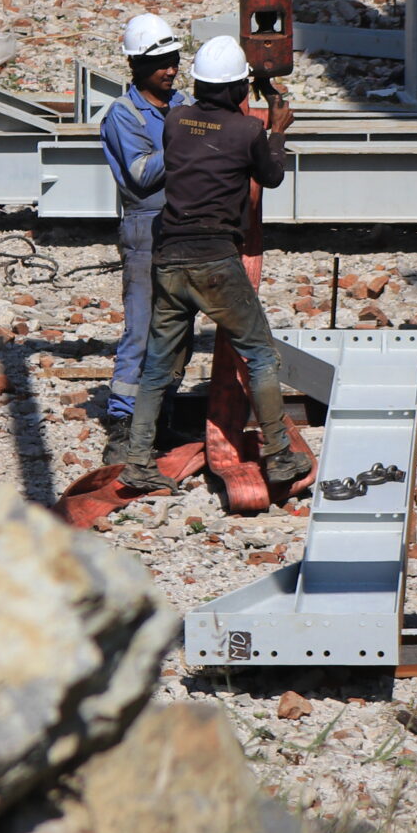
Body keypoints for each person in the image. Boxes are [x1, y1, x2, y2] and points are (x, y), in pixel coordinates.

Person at [112, 35, 312, 497]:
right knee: (260, 355)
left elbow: (203, 138)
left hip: (169, 261)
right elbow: (271, 175)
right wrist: (276, 129)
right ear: (240, 88)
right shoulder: (246, 132)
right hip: (216, 262)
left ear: (198, 82)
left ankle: (137, 461)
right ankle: (280, 456)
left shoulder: (176, 120)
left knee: (157, 364)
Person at [98, 13, 186, 463]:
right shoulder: (124, 114)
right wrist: (188, 139)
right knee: (141, 328)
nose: (171, 70)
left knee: (176, 327)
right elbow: (141, 175)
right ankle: (123, 425)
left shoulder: (184, 104)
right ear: (136, 66)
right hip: (145, 227)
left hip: (185, 226)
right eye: (161, 63)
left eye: (174, 60)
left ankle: (160, 415)